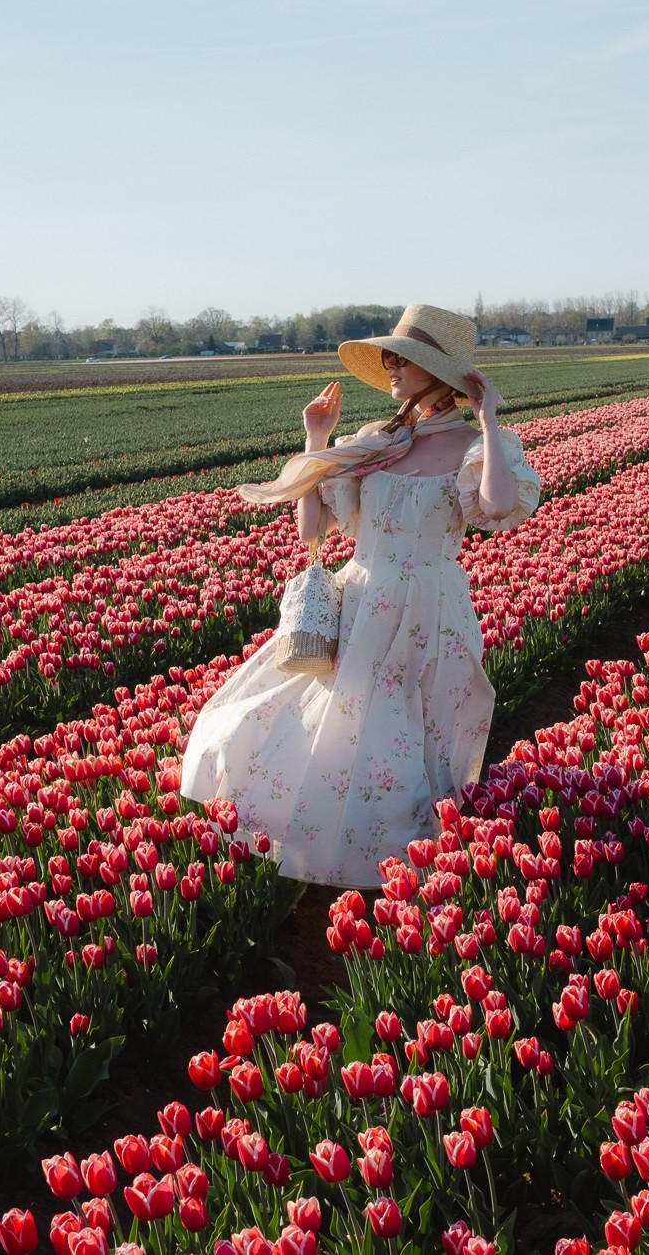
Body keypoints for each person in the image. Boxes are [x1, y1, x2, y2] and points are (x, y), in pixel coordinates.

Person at [179, 304, 541, 886]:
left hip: (434, 608)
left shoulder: (476, 449)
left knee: (425, 732)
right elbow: (312, 529)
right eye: (389, 358)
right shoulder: (378, 442)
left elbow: (498, 506)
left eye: (403, 359)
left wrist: (490, 419)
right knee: (355, 726)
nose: (391, 367)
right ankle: (346, 850)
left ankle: (420, 864)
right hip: (364, 600)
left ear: (439, 372)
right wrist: (317, 439)